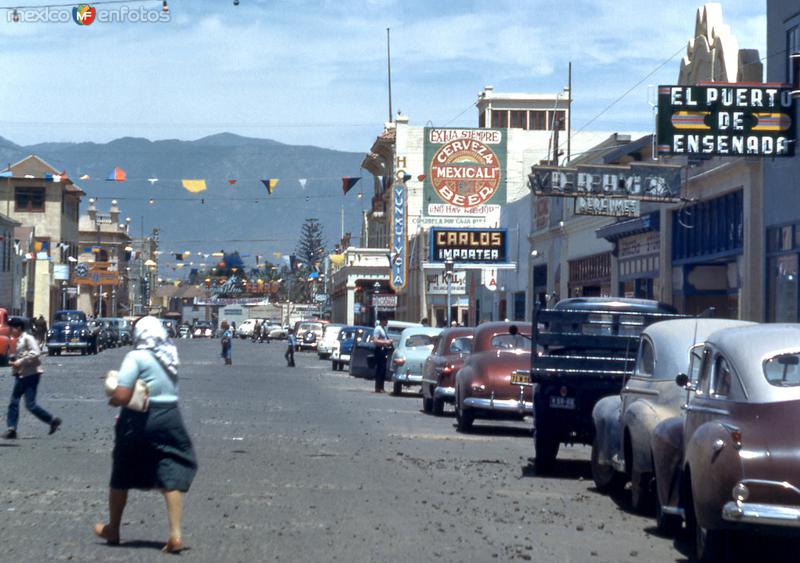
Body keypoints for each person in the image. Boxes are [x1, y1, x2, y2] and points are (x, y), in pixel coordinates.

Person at [94, 316, 197, 553]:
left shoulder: (136, 357)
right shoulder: (169, 355)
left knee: (122, 470)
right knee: (170, 470)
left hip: (140, 419)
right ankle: (176, 534)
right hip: (171, 415)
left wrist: (112, 399)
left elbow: (122, 395)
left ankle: (114, 528)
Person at [3, 318, 61, 439]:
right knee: (14, 402)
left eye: (12, 328)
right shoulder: (18, 340)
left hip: (31, 375)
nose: (10, 330)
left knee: (30, 404)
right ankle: (11, 428)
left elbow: (36, 352)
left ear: (18, 328)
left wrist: (20, 361)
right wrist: (14, 361)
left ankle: (52, 420)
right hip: (21, 375)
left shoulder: (28, 338)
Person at [372, 317, 392, 393]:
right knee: (380, 369)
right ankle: (378, 387)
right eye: (386, 320)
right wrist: (385, 342)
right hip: (379, 350)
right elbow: (375, 340)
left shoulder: (383, 329)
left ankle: (381, 387)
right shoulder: (378, 329)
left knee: (383, 369)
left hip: (384, 350)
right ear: (382, 321)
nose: (387, 322)